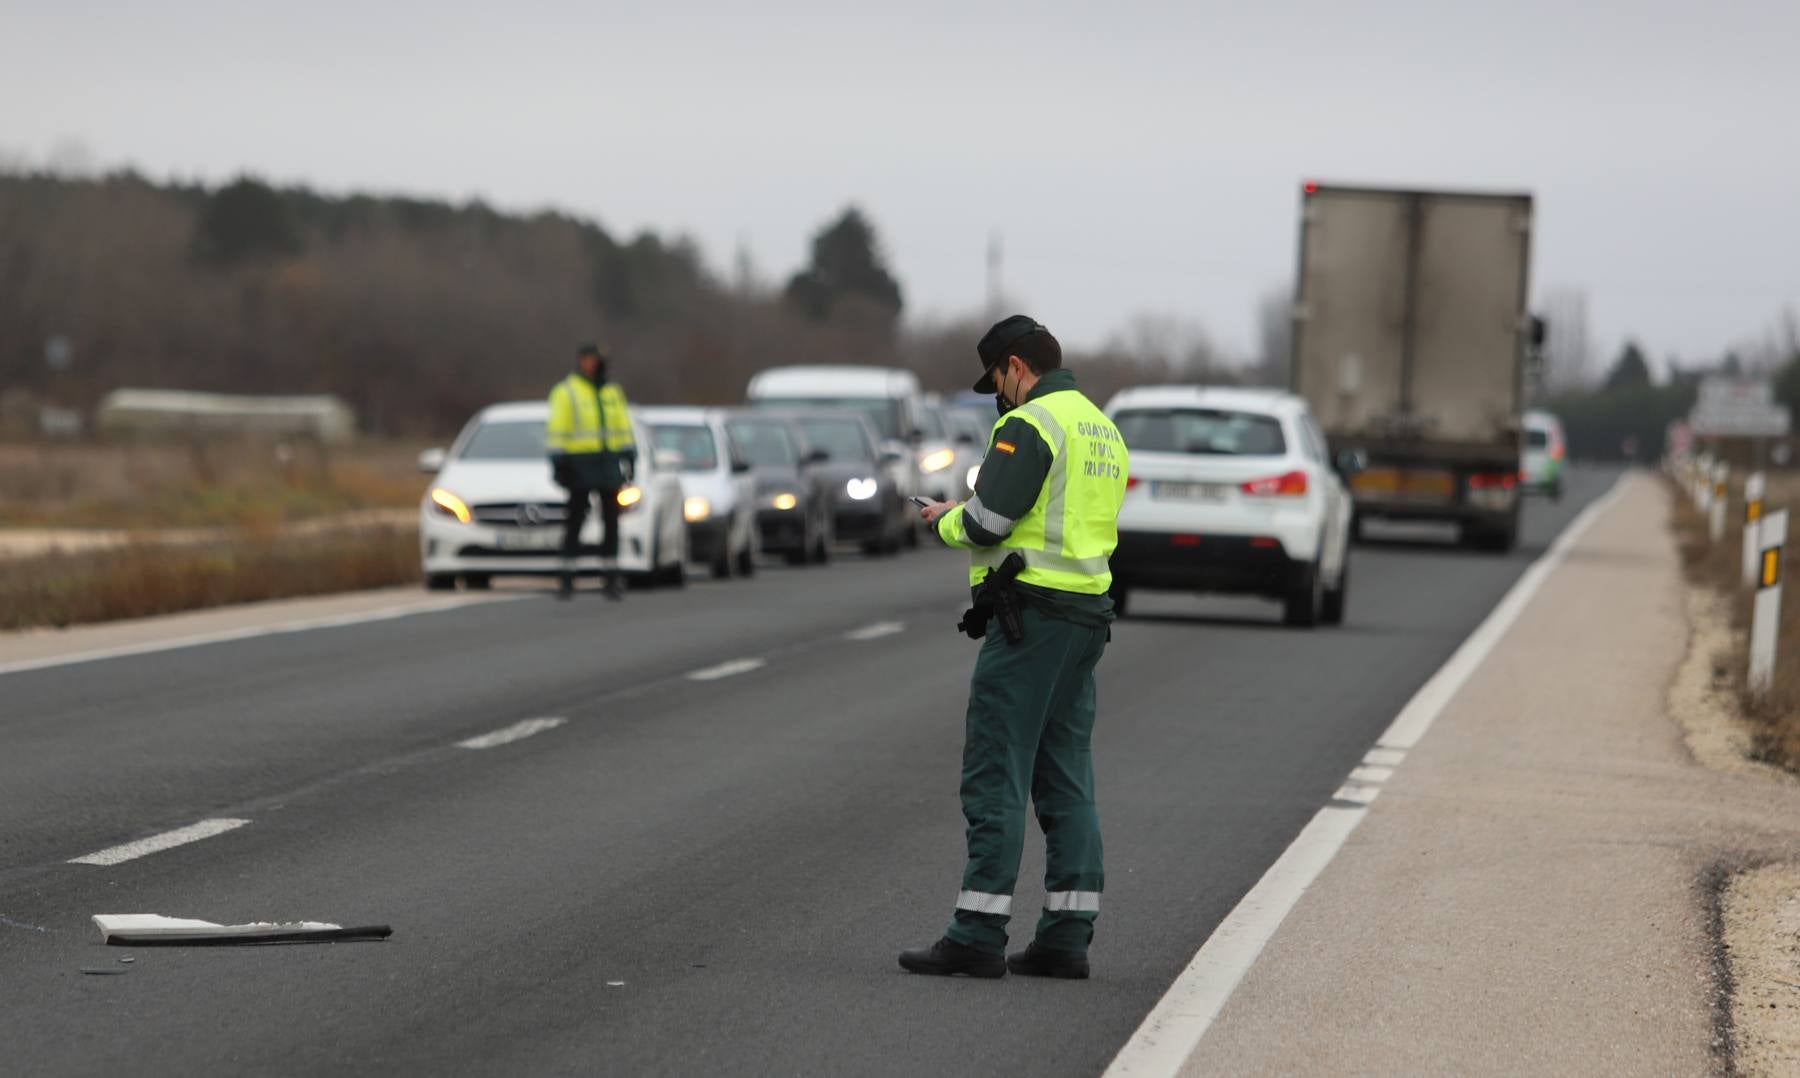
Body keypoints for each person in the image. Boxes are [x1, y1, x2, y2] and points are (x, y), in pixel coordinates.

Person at [900, 315, 1129, 980]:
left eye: (996, 380)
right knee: (1065, 775)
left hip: (1030, 619)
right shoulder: (1101, 427)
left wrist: (942, 520)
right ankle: (1066, 935)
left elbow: (986, 523)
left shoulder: (1029, 425)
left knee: (996, 769)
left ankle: (976, 932)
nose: (998, 394)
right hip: (1085, 618)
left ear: (1015, 368)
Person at [546, 342, 637, 600]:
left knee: (611, 520)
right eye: (585, 359)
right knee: (575, 519)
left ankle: (610, 576)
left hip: (607, 462)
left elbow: (623, 426)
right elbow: (557, 428)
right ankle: (566, 577)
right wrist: (558, 461)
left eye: (593, 359)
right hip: (579, 463)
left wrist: (630, 457)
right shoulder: (567, 392)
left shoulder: (611, 391)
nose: (590, 364)